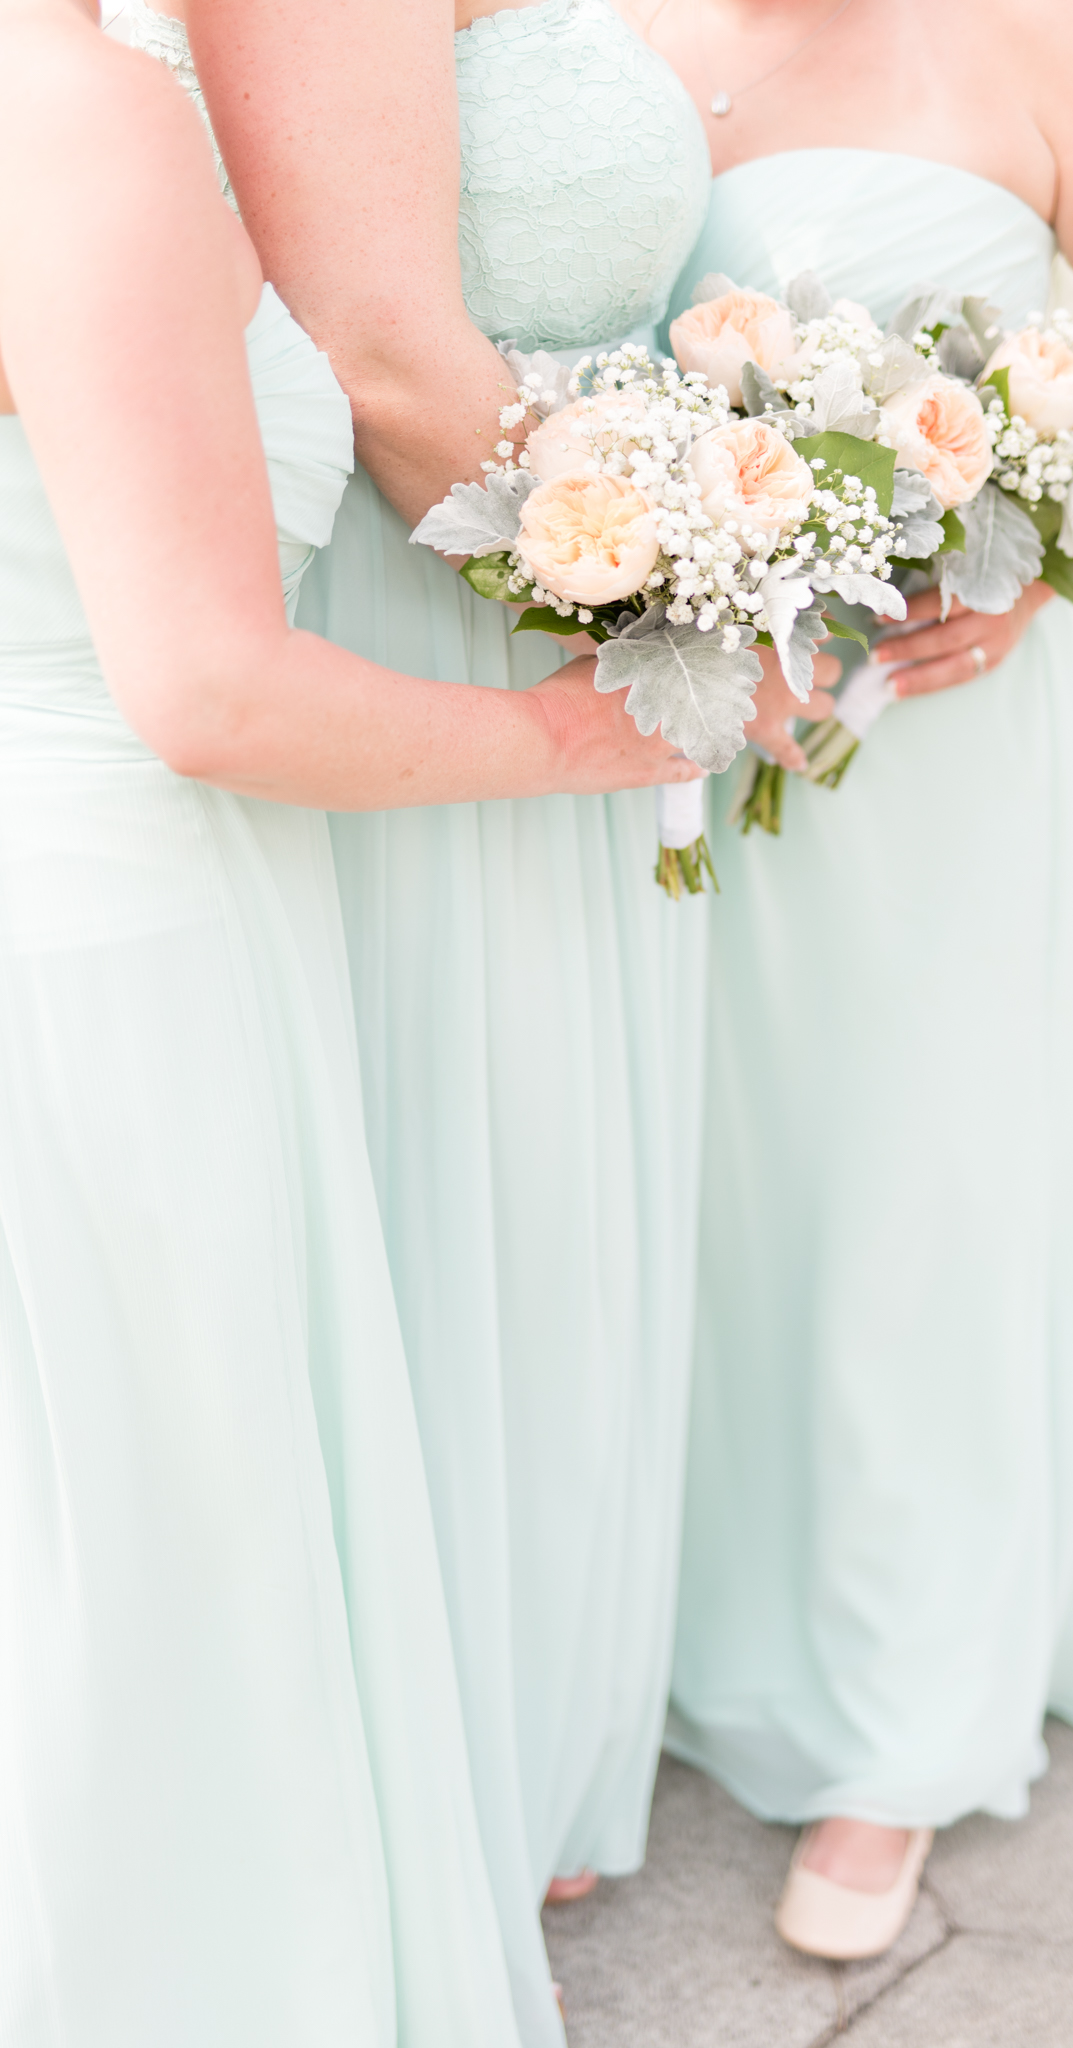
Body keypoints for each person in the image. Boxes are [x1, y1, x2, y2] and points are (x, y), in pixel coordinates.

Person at [0, 2, 695, 2036]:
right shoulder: (78, 108)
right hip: (123, 946)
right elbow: (207, 689)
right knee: (163, 1602)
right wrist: (558, 734)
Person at [635, 0, 1073, 1960]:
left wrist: (1030, 550)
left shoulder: (1038, 38)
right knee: (692, 1173)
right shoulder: (582, 34)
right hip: (635, 727)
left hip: (920, 732)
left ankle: (900, 1719)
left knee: (907, 1181)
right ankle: (667, 1620)